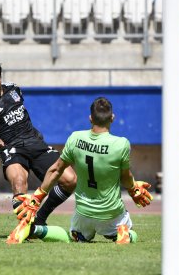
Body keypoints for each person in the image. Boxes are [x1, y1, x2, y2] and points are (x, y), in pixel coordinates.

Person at [12, 96, 153, 244]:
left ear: (90, 118)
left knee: (74, 238)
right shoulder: (121, 144)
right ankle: (123, 234)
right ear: (112, 118)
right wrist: (133, 189)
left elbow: (56, 170)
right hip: (112, 213)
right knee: (130, 232)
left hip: (84, 214)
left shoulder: (76, 138)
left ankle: (34, 230)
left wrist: (37, 197)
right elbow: (125, 177)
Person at [0, 59, 77, 234]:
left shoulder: (14, 89)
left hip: (34, 142)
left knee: (70, 180)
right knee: (19, 181)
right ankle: (27, 227)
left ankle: (40, 218)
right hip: (11, 148)